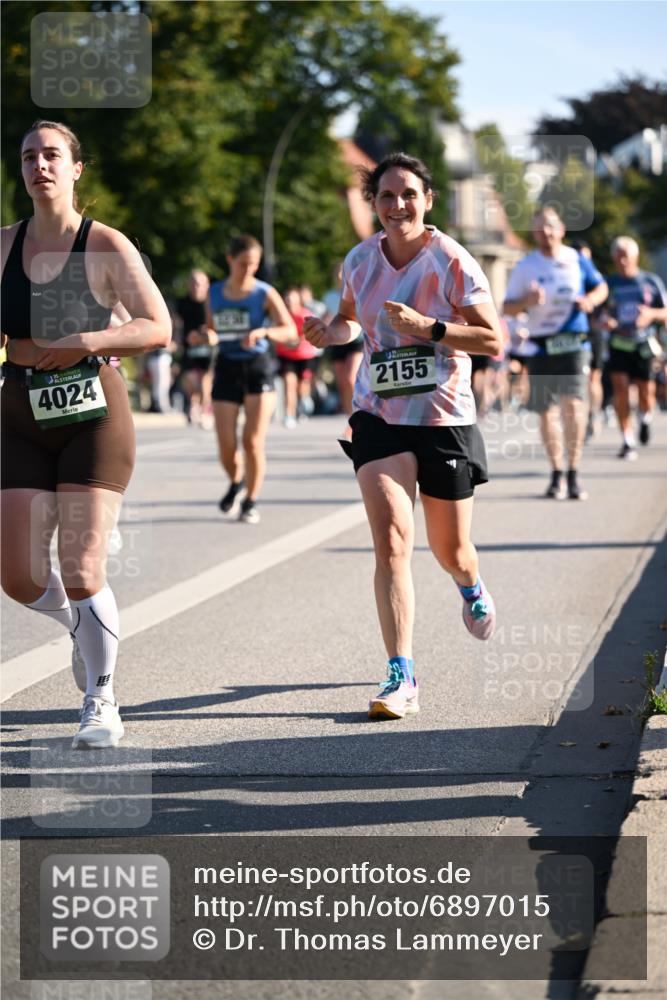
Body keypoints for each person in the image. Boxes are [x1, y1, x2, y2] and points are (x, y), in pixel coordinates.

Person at [304, 152, 503, 720]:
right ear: (374, 204)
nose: (398, 206)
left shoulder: (452, 261)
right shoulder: (360, 260)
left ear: (428, 200)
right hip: (379, 416)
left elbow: (492, 339)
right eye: (387, 196)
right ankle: (402, 673)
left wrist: (430, 329)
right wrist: (328, 331)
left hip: (443, 419)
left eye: (408, 194)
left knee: (452, 552)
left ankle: (470, 585)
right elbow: (349, 319)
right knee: (392, 539)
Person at [1, 120, 171, 748]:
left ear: (76, 169)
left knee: (79, 564)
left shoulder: (104, 246)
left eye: (52, 155)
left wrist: (88, 340)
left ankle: (100, 698)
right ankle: (81, 622)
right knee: (17, 577)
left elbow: (157, 326)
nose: (39, 165)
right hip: (20, 417)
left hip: (93, 415)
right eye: (28, 157)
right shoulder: (2, 246)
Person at [503, 208, 608, 500]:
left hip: (574, 341)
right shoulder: (526, 266)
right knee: (546, 412)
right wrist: (527, 300)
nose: (545, 233)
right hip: (539, 345)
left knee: (573, 406)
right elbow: (506, 307)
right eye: (538, 229)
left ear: (561, 229)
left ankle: (574, 472)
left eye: (550, 227)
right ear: (534, 233)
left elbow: (601, 288)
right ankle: (556, 473)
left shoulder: (577, 260)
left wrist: (589, 300)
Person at [206, 234, 296, 524]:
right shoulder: (215, 293)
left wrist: (265, 333)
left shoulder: (265, 293)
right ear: (230, 260)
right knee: (226, 446)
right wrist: (204, 335)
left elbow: (291, 332)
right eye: (243, 264)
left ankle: (250, 501)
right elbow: (209, 329)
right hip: (227, 366)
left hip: (258, 366)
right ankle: (236, 480)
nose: (248, 270)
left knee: (252, 441)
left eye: (254, 264)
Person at [602, 236, 667, 460]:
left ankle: (645, 417)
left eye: (625, 257)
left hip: (643, 344)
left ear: (635, 257)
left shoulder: (650, 281)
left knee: (646, 392)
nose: (621, 261)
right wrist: (605, 321)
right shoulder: (609, 284)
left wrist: (650, 315)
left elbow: (665, 313)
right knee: (620, 390)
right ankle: (627, 441)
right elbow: (598, 313)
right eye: (617, 257)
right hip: (619, 343)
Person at [322, 261, 364, 438]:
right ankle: (351, 420)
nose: (340, 276)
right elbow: (327, 316)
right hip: (337, 341)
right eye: (338, 272)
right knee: (342, 383)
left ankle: (361, 414)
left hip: (356, 339)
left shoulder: (358, 291)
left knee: (350, 378)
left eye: (343, 272)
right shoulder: (330, 296)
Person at [175, 269, 213, 428]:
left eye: (199, 283)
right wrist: (175, 340)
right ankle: (194, 403)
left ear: (206, 285)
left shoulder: (211, 302)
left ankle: (205, 410)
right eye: (193, 283)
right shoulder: (182, 303)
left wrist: (205, 333)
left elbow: (215, 325)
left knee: (205, 379)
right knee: (189, 380)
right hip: (188, 346)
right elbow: (176, 324)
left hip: (208, 346)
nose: (196, 286)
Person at [276, 287, 319, 428]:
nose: (289, 302)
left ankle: (304, 400)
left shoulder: (305, 315)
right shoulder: (281, 316)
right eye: (287, 299)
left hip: (304, 356)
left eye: (292, 299)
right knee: (289, 384)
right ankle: (289, 414)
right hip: (286, 356)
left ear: (298, 301)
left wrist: (296, 340)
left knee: (302, 386)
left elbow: (309, 333)